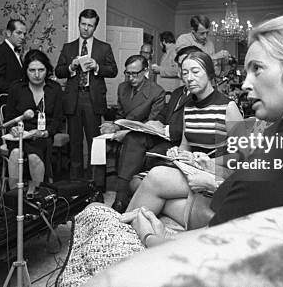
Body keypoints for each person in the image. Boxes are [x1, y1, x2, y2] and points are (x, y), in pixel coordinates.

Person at [59, 15, 283, 286]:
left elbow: (233, 248)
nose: (246, 82)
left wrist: (154, 239)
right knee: (117, 209)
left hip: (212, 251)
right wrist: (199, 162)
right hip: (211, 221)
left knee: (98, 217)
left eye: (257, 69)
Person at [124, 50, 243, 225]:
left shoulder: (228, 107)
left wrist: (208, 163)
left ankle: (122, 226)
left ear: (209, 74)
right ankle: (128, 229)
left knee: (156, 177)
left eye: (195, 72)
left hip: (219, 173)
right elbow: (185, 146)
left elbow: (243, 156)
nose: (189, 78)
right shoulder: (189, 107)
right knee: (153, 187)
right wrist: (177, 153)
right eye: (185, 73)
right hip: (193, 169)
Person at [110, 45, 202, 213]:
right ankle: (120, 197)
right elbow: (164, 114)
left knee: (144, 155)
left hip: (177, 141)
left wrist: (165, 129)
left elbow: (193, 126)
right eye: (180, 67)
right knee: (132, 138)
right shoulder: (176, 93)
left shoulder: (200, 94)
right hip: (162, 135)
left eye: (186, 67)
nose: (182, 72)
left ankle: (131, 200)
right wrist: (154, 123)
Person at [55, 9, 118, 184]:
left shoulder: (104, 47)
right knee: (74, 143)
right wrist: (71, 66)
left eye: (90, 25)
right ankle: (75, 183)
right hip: (73, 99)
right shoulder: (68, 47)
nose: (86, 28)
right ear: (79, 23)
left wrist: (97, 66)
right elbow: (58, 71)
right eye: (83, 24)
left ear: (95, 27)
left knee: (94, 142)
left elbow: (113, 70)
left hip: (93, 99)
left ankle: (94, 182)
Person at [4, 49, 63, 197]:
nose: (36, 74)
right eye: (32, 70)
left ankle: (37, 195)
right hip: (20, 134)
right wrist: (13, 129)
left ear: (47, 70)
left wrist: (45, 132)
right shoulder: (16, 88)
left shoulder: (54, 89)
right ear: (26, 71)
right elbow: (9, 118)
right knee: (16, 152)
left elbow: (57, 119)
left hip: (42, 135)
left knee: (34, 157)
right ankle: (14, 197)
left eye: (41, 70)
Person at [100, 54, 165, 137]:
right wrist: (114, 127)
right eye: (128, 73)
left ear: (145, 71)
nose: (130, 78)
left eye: (134, 74)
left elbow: (151, 126)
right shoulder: (122, 87)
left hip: (142, 136)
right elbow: (120, 116)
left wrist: (126, 133)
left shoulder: (157, 92)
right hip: (123, 132)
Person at [0, 18, 27, 122]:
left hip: (12, 108)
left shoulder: (14, 52)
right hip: (1, 108)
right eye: (19, 33)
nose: (22, 37)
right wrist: (18, 91)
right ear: (8, 33)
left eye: (24, 34)